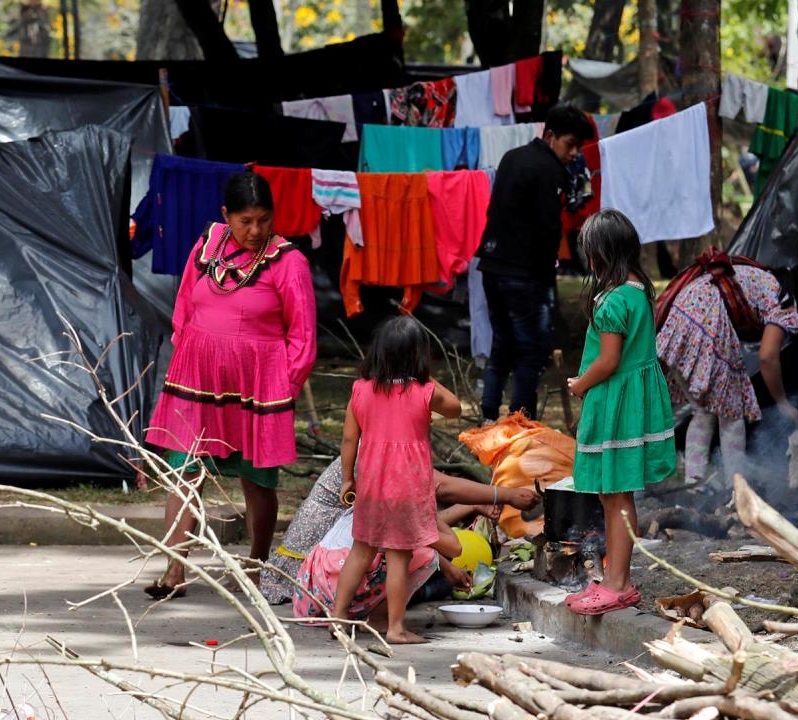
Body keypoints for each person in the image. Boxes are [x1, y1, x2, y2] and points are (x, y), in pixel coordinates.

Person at [144, 171, 315, 600]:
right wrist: (188, 351)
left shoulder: (288, 261)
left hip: (259, 387)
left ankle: (257, 565)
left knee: (257, 480)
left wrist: (285, 387)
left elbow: (303, 334)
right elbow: (185, 302)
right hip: (198, 379)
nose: (255, 230)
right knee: (185, 469)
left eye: (263, 220)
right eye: (245, 221)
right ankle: (174, 570)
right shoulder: (208, 245)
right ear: (226, 215)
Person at [563, 210, 676, 615]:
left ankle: (619, 583)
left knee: (616, 494)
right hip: (628, 401)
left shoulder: (612, 302)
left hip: (616, 404)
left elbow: (609, 360)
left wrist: (581, 383)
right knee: (613, 493)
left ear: (601, 254)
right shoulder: (638, 291)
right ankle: (615, 578)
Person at [656, 251, 798, 492]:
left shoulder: (768, 279)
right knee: (732, 414)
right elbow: (768, 357)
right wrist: (783, 403)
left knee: (704, 410)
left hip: (682, 313)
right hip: (708, 320)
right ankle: (737, 486)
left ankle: (695, 482)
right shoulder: (786, 301)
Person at [331, 315, 462, 644]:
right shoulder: (425, 391)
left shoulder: (361, 390)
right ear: (418, 356)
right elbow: (456, 408)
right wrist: (428, 378)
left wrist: (347, 479)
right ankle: (396, 628)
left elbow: (349, 439)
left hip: (371, 484)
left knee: (361, 551)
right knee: (399, 557)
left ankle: (338, 618)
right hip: (407, 487)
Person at [259, 457, 540, 606]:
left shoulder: (373, 450)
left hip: (315, 573)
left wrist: (472, 505)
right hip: (311, 571)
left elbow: (419, 523)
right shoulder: (383, 458)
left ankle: (348, 614)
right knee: (423, 566)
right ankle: (383, 619)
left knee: (426, 560)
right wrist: (503, 494)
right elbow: (426, 524)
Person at [476, 105, 595, 421]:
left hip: (491, 265)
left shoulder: (511, 157)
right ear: (550, 135)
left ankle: (488, 415)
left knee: (502, 343)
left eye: (578, 147)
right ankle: (521, 421)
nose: (574, 153)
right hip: (525, 275)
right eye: (570, 144)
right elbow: (548, 230)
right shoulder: (550, 170)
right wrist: (547, 277)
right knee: (531, 352)